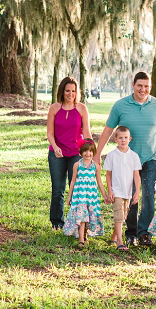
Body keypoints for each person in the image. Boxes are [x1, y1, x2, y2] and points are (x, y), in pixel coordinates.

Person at [94, 71, 156, 246]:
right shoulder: (120, 105)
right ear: (133, 85)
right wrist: (98, 154)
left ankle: (145, 233)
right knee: (131, 196)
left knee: (149, 195)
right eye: (140, 86)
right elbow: (108, 130)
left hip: (150, 157)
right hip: (127, 160)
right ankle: (131, 233)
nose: (143, 89)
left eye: (147, 86)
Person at [46, 76, 92, 230]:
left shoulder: (81, 108)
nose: (70, 94)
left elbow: (87, 133)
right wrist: (55, 147)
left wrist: (90, 152)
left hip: (75, 154)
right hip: (56, 154)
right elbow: (50, 134)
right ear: (62, 91)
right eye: (67, 90)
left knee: (77, 189)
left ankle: (76, 222)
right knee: (58, 189)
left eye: (73, 91)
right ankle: (57, 222)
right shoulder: (54, 108)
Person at [103, 126, 141, 250]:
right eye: (120, 138)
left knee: (123, 216)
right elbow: (108, 175)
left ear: (129, 139)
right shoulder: (111, 155)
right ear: (115, 139)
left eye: (125, 138)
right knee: (118, 216)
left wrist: (137, 192)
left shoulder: (134, 156)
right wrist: (110, 190)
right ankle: (120, 242)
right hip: (117, 191)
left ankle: (114, 237)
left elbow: (136, 175)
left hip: (128, 192)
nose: (123, 140)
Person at [64, 140, 105, 246]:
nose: (88, 154)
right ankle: (81, 239)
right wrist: (70, 196)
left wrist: (104, 195)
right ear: (81, 152)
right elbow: (73, 181)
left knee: (89, 214)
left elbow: (99, 182)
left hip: (91, 195)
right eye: (85, 151)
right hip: (80, 195)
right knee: (82, 215)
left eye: (90, 151)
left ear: (94, 152)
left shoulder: (95, 166)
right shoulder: (77, 165)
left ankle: (85, 235)